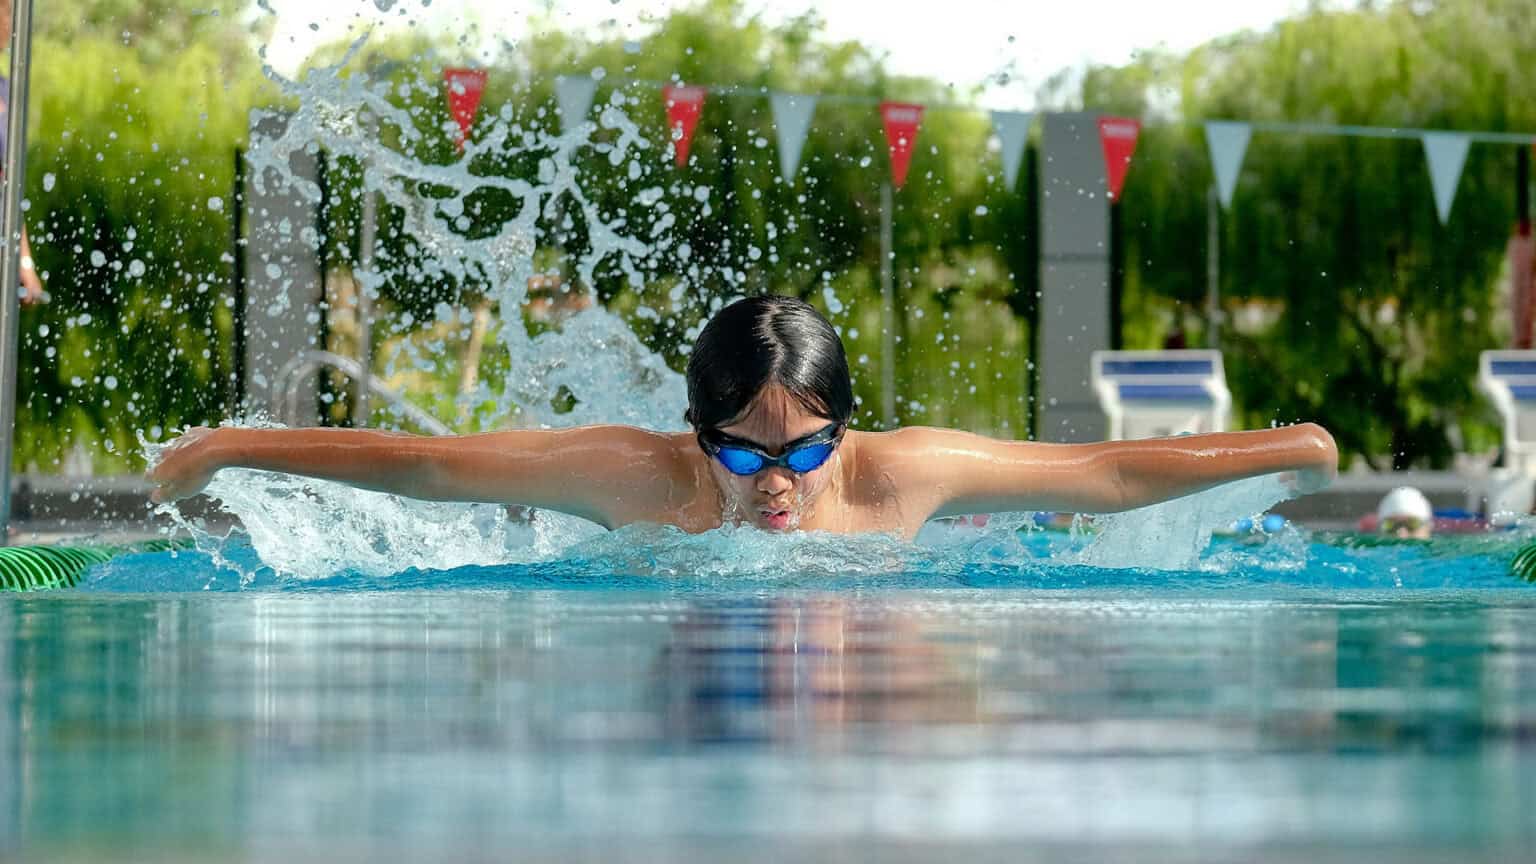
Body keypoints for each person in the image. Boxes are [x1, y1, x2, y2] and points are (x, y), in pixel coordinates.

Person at [149, 295, 1338, 539]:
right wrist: (237, 442)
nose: (779, 480)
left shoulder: (901, 476)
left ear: (849, 432)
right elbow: (433, 468)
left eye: (810, 448)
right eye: (745, 453)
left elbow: (1110, 473)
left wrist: (1293, 448)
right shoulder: (638, 478)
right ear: (695, 434)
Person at [0, 0, 44, 305]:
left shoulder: (5, 92)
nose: (13, 24)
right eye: (7, 13)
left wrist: (24, 259)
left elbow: (8, 184)